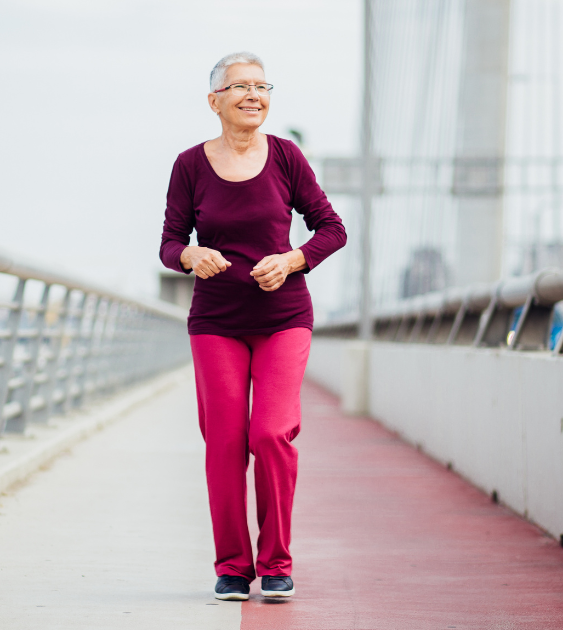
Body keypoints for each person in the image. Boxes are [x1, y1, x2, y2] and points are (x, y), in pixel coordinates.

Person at [159, 51, 347, 601]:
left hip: (283, 317)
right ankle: (233, 567)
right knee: (224, 441)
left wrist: (292, 260)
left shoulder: (287, 157)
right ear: (214, 100)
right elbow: (170, 242)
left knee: (270, 433)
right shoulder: (190, 165)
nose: (253, 95)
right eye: (239, 86)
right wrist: (192, 257)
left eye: (262, 86)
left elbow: (331, 228)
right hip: (216, 321)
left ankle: (277, 561)